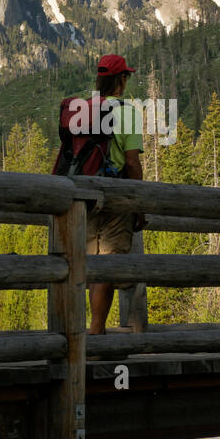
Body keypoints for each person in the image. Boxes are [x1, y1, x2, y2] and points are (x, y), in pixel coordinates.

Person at [85, 53, 144, 335]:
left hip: (85, 195)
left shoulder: (86, 109)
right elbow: (132, 162)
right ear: (121, 79)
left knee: (92, 263)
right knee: (107, 265)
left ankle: (91, 332)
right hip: (114, 196)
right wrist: (138, 204)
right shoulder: (127, 111)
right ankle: (96, 334)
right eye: (126, 76)